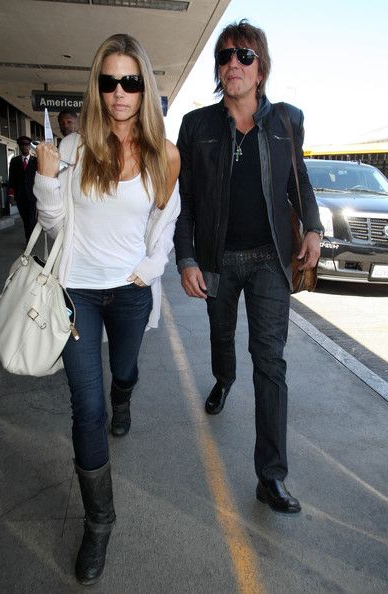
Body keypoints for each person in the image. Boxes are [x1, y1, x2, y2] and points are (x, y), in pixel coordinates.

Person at [34, 34, 180, 585]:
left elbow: (165, 227)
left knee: (123, 372)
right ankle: (99, 522)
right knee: (85, 409)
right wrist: (47, 181)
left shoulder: (164, 155)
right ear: (97, 87)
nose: (120, 93)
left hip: (130, 291)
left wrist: (149, 271)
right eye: (109, 81)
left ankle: (126, 394)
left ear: (144, 87)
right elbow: (51, 228)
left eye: (131, 82)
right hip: (78, 293)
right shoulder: (73, 152)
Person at [173, 19, 323, 515]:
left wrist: (313, 229)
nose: (232, 63)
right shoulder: (197, 127)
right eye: (224, 56)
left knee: (271, 364)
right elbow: (185, 201)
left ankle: (270, 477)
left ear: (261, 69)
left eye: (243, 56)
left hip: (268, 261)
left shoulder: (285, 120)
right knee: (221, 338)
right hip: (217, 261)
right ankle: (222, 378)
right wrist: (187, 257)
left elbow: (298, 179)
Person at [7, 135, 37, 242]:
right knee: (25, 219)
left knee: (31, 220)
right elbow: (11, 179)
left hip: (33, 195)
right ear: (19, 147)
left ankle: (30, 241)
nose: (24, 147)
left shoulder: (36, 161)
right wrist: (11, 194)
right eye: (22, 145)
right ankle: (29, 238)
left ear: (30, 147)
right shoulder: (14, 161)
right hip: (20, 196)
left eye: (26, 145)